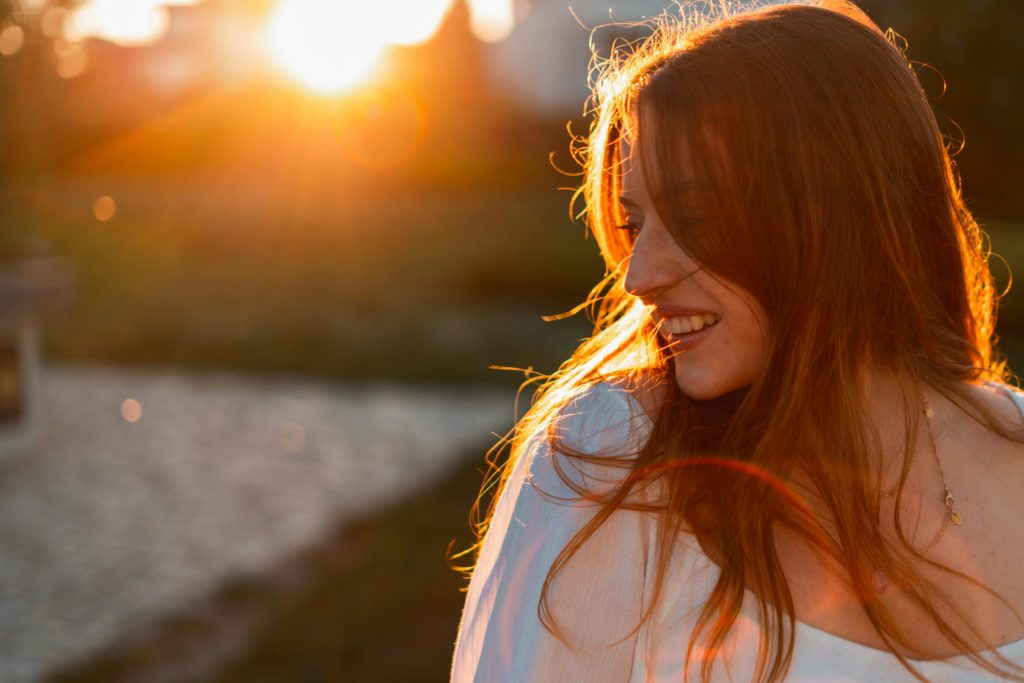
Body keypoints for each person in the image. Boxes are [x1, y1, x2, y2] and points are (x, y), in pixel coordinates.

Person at [449, 1, 1024, 681]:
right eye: (636, 221)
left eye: (695, 216)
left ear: (838, 216)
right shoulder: (615, 462)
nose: (639, 275)